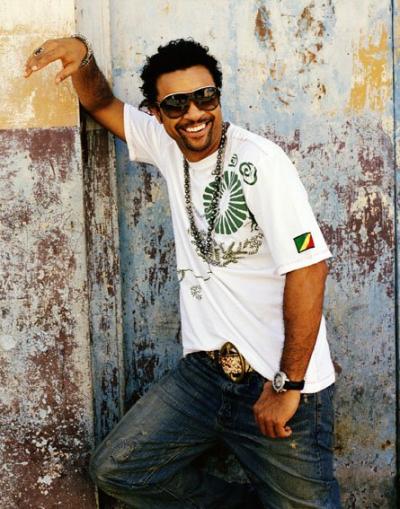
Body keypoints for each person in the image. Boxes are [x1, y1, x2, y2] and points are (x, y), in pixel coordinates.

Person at [25, 36, 341, 508]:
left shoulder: (261, 162)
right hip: (205, 376)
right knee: (119, 470)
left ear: (217, 97)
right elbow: (102, 103)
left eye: (205, 97)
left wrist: (287, 384)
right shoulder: (167, 144)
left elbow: (309, 269)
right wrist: (82, 55)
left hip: (274, 379)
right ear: (157, 113)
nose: (194, 113)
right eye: (176, 104)